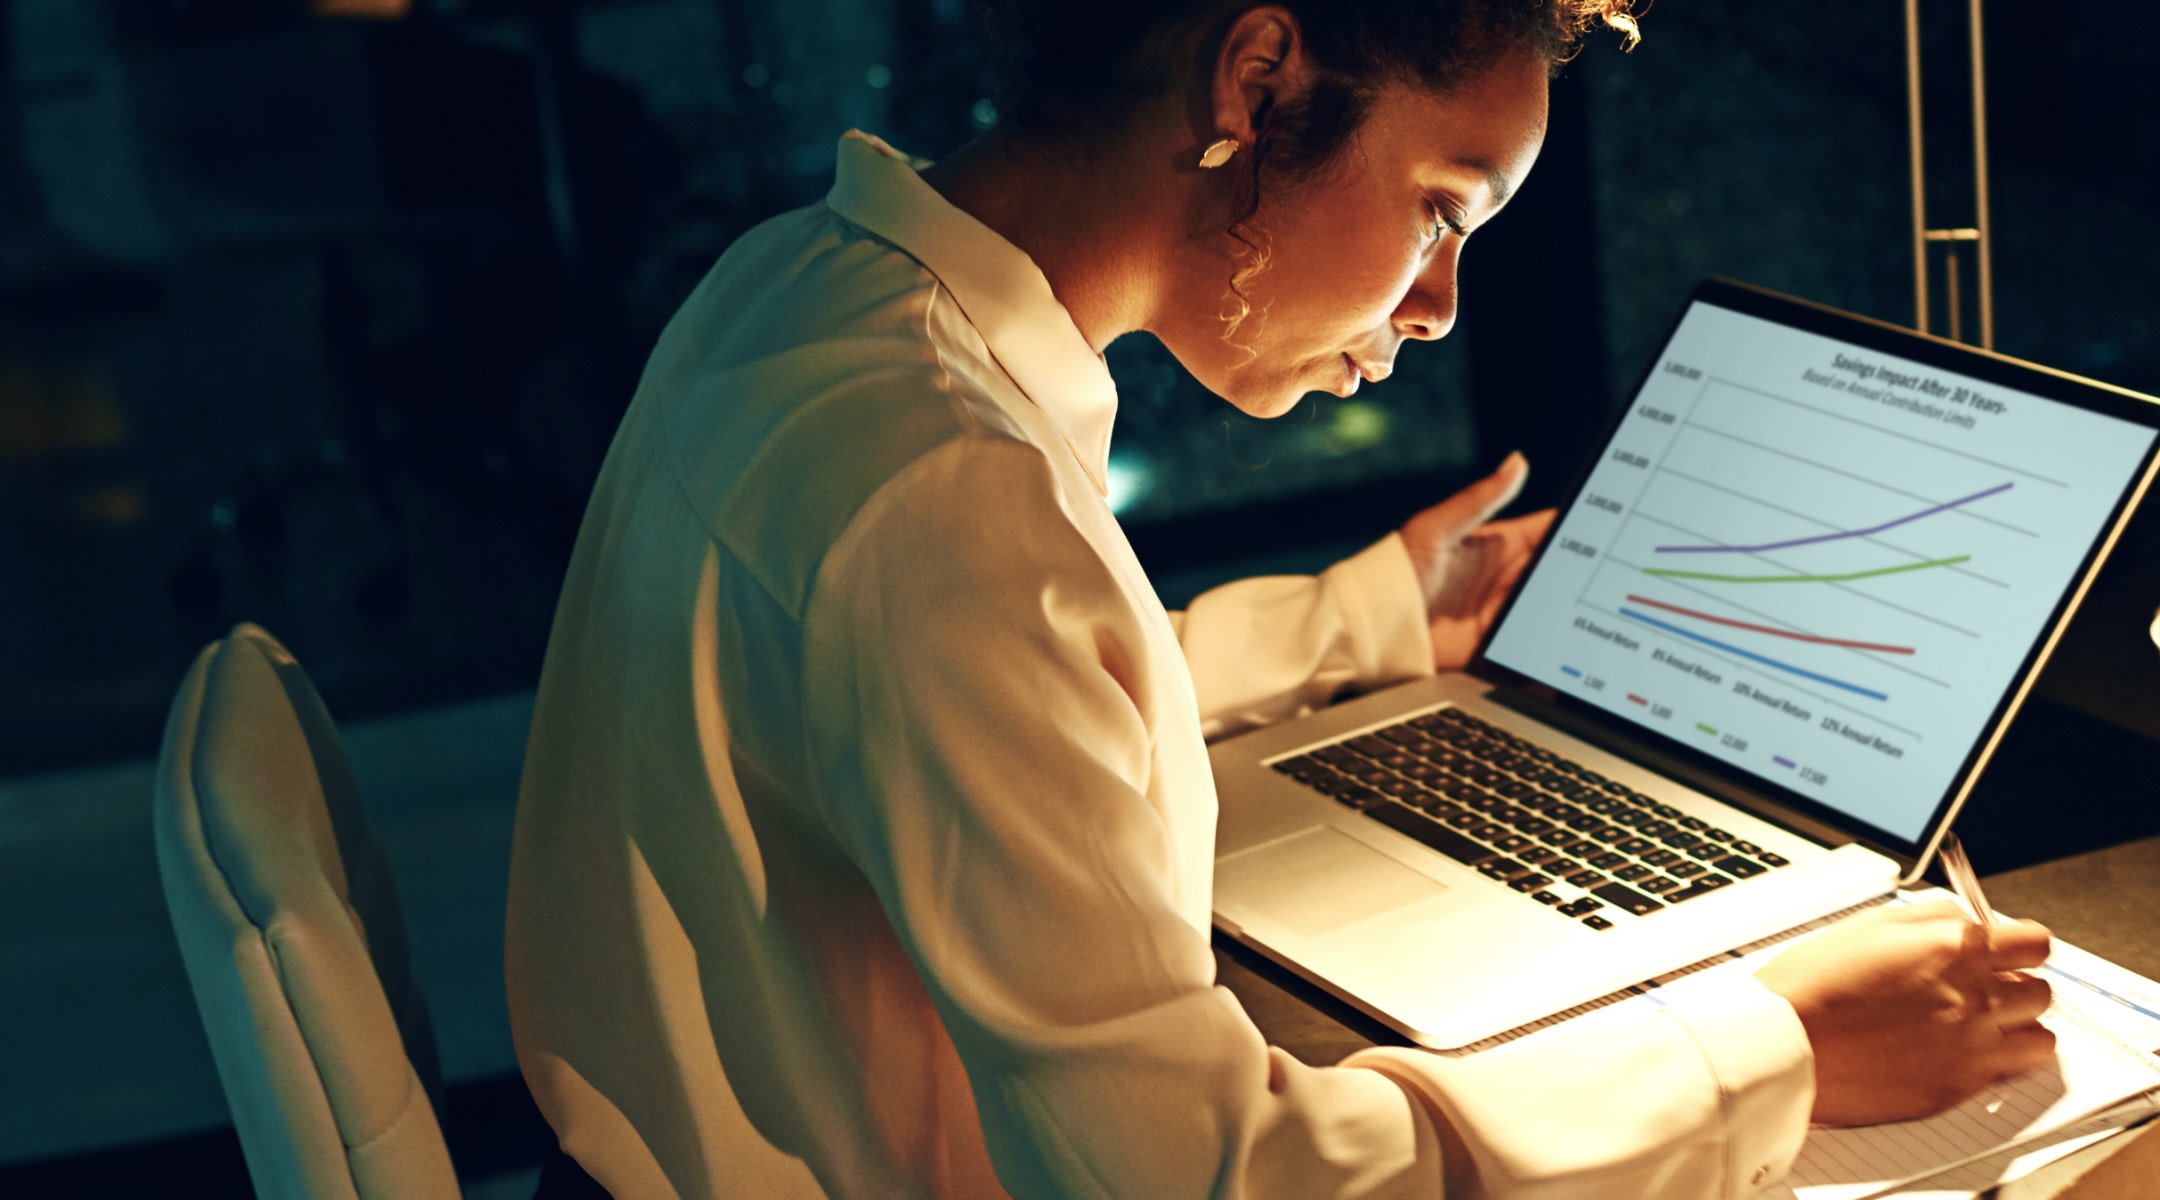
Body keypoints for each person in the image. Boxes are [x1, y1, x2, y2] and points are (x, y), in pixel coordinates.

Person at [504, 3, 2058, 1196]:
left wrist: (1372, 624)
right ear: (1256, 84)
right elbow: (1212, 1173)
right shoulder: (944, 494)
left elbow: (983, 688)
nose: (1443, 305)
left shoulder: (804, 290)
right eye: (1446, 207)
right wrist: (1770, 1047)